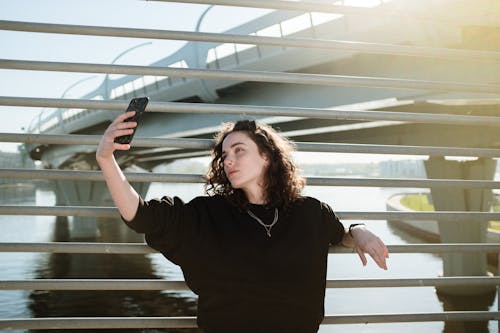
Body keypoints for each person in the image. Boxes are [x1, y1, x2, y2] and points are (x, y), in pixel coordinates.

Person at [96, 111, 389, 333]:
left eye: (239, 150)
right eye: (224, 155)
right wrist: (107, 160)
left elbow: (339, 235)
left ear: (266, 157)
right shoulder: (207, 213)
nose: (229, 160)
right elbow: (140, 215)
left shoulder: (310, 212)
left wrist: (359, 230)